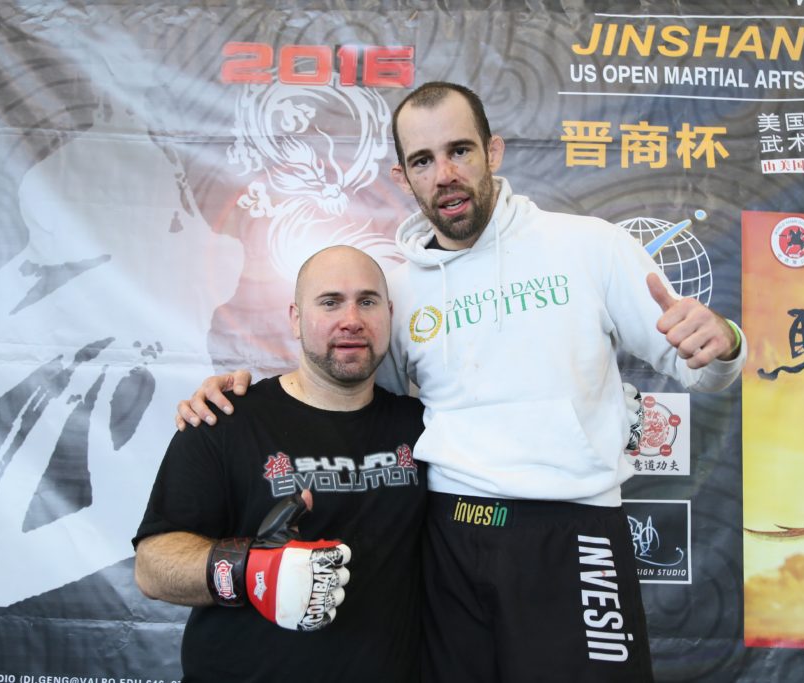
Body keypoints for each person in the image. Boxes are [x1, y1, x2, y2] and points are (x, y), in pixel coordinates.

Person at [177, 82, 748, 682]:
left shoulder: (590, 247)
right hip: (451, 531)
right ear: (404, 177)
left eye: (460, 151)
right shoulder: (397, 291)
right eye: (423, 161)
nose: (444, 173)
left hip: (573, 530)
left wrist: (724, 342)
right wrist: (240, 397)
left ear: (493, 152)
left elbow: (700, 364)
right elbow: (345, 387)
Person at [133, 245, 428, 682]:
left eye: (367, 302)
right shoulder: (225, 418)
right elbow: (153, 567)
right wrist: (251, 567)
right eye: (330, 302)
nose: (351, 319)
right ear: (295, 318)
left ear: (388, 313)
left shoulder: (422, 427)